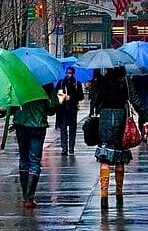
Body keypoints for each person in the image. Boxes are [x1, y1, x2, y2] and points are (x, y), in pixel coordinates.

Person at [91, 67, 148, 209]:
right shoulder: (126, 81)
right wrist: (144, 117)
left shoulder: (103, 81)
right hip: (121, 119)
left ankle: (104, 195)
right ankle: (119, 193)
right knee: (120, 156)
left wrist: (97, 80)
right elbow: (135, 100)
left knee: (104, 157)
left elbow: (94, 101)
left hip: (104, 119)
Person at [13, 82, 58, 208]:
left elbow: (11, 105)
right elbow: (51, 109)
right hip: (37, 125)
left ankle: (25, 196)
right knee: (35, 161)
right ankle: (30, 197)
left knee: (23, 159)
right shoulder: (46, 84)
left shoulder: (19, 79)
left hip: (21, 124)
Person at [55, 67, 84, 156]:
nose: (69, 75)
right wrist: (62, 97)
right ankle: (64, 148)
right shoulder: (61, 83)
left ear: (73, 73)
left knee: (72, 130)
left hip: (72, 110)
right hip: (63, 110)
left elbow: (81, 96)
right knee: (63, 130)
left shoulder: (76, 84)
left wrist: (71, 97)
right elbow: (56, 94)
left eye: (70, 73)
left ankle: (71, 147)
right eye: (67, 73)